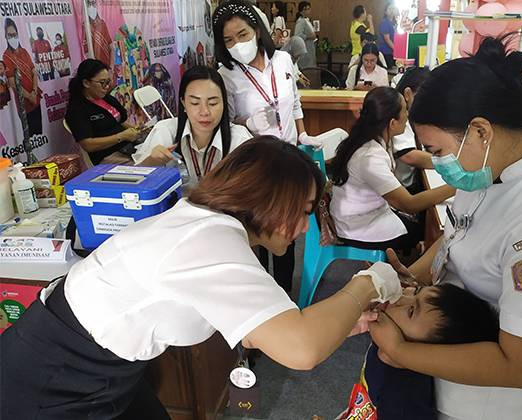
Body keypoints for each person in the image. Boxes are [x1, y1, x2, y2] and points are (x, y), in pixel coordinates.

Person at [0, 136, 403, 419]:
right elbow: (302, 350)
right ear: (270, 199)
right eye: (304, 210)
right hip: (55, 374)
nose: (304, 227)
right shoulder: (209, 239)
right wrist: (370, 281)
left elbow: (255, 330)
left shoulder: (215, 229)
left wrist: (341, 322)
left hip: (104, 365)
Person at [367, 36, 522, 420]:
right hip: (439, 363)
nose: (436, 162)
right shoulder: (496, 164)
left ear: (480, 131)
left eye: (438, 150)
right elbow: (459, 231)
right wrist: (416, 275)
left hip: (482, 403)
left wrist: (399, 351)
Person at [213, 0, 322, 293]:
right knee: (259, 235)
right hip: (257, 166)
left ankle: (284, 293)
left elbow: (295, 101)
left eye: (243, 34)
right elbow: (229, 121)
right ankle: (261, 295)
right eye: (229, 40)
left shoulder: (284, 61)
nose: (237, 43)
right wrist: (248, 122)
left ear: (258, 31)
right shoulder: (226, 75)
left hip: (289, 159)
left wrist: (303, 133)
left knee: (285, 234)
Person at [330, 87, 455, 251]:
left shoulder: (371, 138)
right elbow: (409, 204)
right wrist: (455, 186)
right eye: (404, 111)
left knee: (424, 220)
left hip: (360, 215)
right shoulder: (370, 157)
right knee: (428, 231)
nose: (408, 115)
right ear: (392, 123)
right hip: (356, 228)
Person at [362, 283, 500, 419]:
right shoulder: (386, 342)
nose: (400, 298)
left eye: (411, 311)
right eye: (416, 291)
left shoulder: (404, 401)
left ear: (427, 350)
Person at [133, 65, 252, 191]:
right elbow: (134, 181)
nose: (205, 112)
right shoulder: (166, 131)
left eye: (213, 103)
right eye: (195, 103)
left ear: (224, 103)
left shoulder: (239, 140)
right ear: (184, 103)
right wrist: (152, 161)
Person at [65, 59, 143, 165]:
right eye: (102, 83)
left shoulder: (107, 99)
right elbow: (88, 144)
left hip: (127, 148)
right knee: (153, 162)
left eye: (108, 82)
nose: (106, 87)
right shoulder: (77, 109)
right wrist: (121, 136)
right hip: (108, 156)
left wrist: (135, 130)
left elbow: (120, 121)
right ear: (86, 83)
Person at [393, 67, 433, 193]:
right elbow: (409, 156)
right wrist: (449, 164)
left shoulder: (412, 113)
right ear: (407, 94)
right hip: (401, 189)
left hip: (411, 184)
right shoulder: (396, 115)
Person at [3, 18, 43, 137]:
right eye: (9, 35)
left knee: (39, 133)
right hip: (24, 104)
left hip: (35, 99)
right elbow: (13, 82)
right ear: (5, 37)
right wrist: (29, 96)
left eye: (14, 34)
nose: (13, 38)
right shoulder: (6, 56)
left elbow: (33, 71)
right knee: (29, 137)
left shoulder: (24, 52)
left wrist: (34, 92)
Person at [83, 0, 113, 67]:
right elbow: (86, 51)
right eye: (89, 4)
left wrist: (111, 67)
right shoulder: (84, 26)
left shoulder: (102, 24)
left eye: (93, 3)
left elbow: (111, 47)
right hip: (94, 68)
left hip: (106, 65)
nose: (91, 7)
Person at [294, 1, 316, 69]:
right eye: (305, 9)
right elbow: (298, 35)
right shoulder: (301, 21)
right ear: (301, 11)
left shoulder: (307, 20)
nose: (308, 11)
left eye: (309, 9)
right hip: (305, 49)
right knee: (306, 69)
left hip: (310, 48)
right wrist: (309, 36)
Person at [378, 3, 397, 69]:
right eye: (389, 9)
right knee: (388, 70)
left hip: (391, 51)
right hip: (385, 52)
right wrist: (397, 50)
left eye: (393, 8)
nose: (392, 11)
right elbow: (387, 39)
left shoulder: (394, 23)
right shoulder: (385, 23)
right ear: (385, 12)